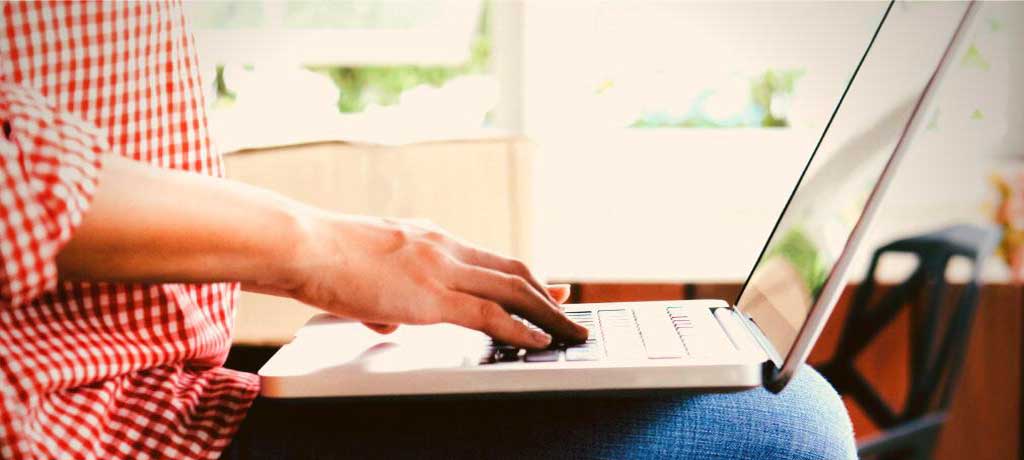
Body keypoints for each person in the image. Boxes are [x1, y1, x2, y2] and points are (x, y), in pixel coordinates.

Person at [0, 2, 856, 459]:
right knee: (779, 430)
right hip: (79, 425)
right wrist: (318, 248)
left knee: (771, 404)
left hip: (165, 387)